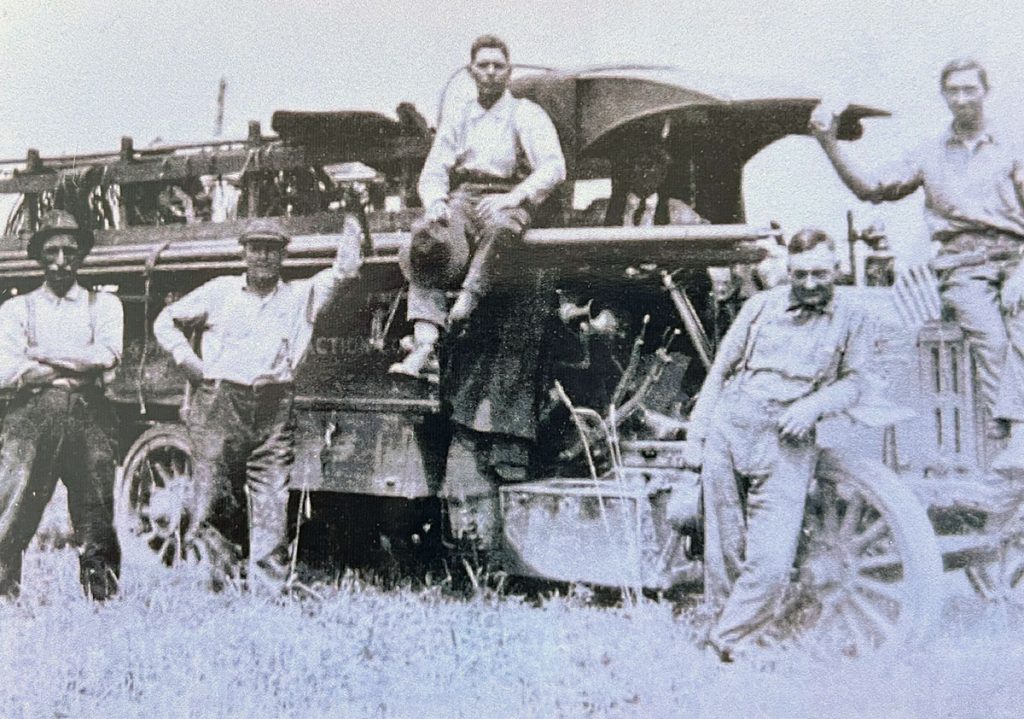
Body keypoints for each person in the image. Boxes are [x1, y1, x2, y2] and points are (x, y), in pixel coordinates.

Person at [810, 58, 1024, 469]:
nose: (962, 99)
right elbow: (871, 188)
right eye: (954, 91)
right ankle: (1008, 440)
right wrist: (829, 143)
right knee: (992, 338)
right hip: (964, 265)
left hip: (1016, 256)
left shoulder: (1013, 147)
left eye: (970, 89)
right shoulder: (928, 155)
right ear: (944, 96)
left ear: (985, 91)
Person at [684, 229, 874, 661]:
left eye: (820, 274)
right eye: (801, 273)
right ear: (789, 271)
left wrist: (814, 405)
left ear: (836, 269)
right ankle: (727, 643)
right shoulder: (759, 306)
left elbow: (857, 382)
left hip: (785, 440)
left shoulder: (853, 318)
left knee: (770, 562)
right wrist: (698, 434)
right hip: (730, 429)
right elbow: (720, 370)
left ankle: (724, 639)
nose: (809, 283)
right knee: (724, 550)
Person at [153, 217, 361, 590]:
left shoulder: (301, 296)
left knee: (271, 497)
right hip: (221, 402)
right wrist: (187, 359)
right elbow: (165, 320)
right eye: (256, 248)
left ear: (283, 255)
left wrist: (352, 223)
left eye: (272, 249)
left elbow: (345, 271)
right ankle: (215, 583)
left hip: (274, 405)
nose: (263, 256)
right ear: (244, 253)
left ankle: (268, 589)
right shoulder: (219, 291)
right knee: (214, 494)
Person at [389, 33, 566, 379]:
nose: (490, 72)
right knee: (427, 238)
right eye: (482, 65)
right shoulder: (459, 116)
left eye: (498, 66)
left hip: (509, 192)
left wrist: (513, 197)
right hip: (465, 195)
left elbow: (554, 166)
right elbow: (435, 169)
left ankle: (468, 300)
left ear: (509, 71)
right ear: (471, 71)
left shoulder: (525, 114)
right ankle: (425, 341)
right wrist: (437, 203)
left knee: (502, 227)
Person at [0, 210, 123, 600]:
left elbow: (105, 356)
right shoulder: (16, 310)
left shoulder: (103, 305)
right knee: (14, 505)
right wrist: (71, 367)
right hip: (33, 416)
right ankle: (3, 595)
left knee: (97, 512)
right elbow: (5, 369)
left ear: (81, 256)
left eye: (69, 251)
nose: (60, 260)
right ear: (38, 256)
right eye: (51, 251)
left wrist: (41, 355)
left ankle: (102, 600)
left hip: (88, 415)